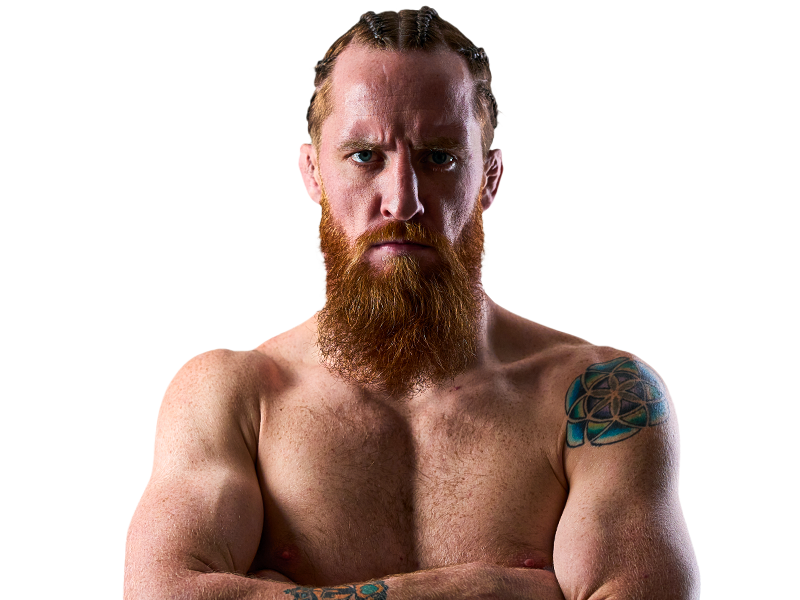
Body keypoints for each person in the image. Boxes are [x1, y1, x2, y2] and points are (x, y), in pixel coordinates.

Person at [123, 6, 699, 599]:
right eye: (365, 156)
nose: (402, 201)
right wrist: (486, 590)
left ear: (489, 177)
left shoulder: (599, 399)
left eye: (439, 157)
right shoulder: (233, 398)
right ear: (313, 173)